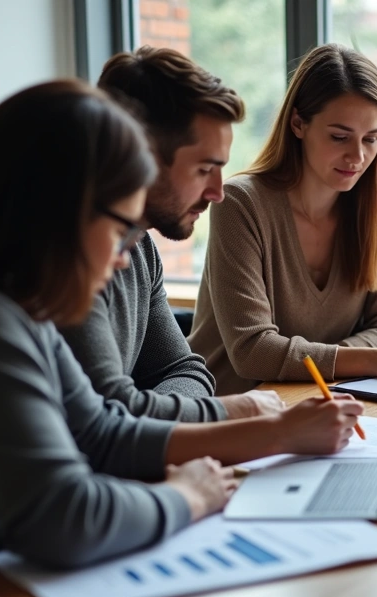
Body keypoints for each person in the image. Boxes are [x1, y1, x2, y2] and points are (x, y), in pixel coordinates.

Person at [0, 81, 362, 575]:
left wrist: (274, 435)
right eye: (121, 230)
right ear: (58, 211)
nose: (123, 258)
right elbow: (66, 518)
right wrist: (187, 497)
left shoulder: (20, 311)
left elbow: (102, 433)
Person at [190, 44, 377, 395]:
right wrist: (369, 359)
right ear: (298, 124)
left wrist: (338, 363)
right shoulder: (241, 204)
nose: (358, 156)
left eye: (372, 138)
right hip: (231, 411)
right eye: (340, 137)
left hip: (324, 401)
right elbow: (253, 353)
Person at [59, 46, 281, 421]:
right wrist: (234, 411)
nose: (218, 192)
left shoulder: (141, 247)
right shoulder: (67, 258)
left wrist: (157, 417)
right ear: (141, 155)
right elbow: (111, 414)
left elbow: (184, 371)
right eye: (203, 169)